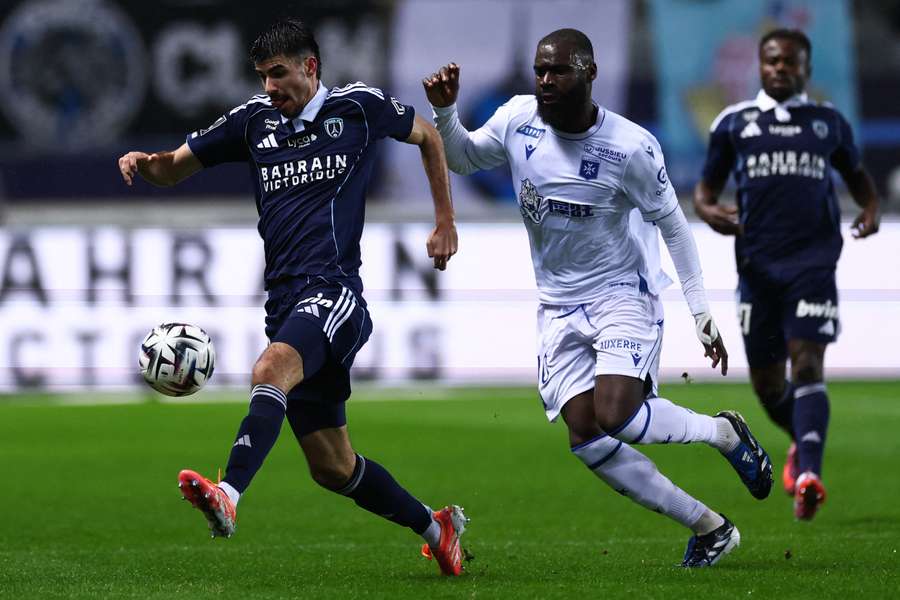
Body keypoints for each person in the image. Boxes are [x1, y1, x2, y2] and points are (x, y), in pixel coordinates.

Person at [118, 19, 468, 576]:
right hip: (284, 302)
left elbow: (426, 134)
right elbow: (175, 166)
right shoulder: (253, 122)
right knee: (333, 468)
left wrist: (445, 220)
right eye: (261, 77)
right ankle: (436, 526)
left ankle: (229, 492)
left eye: (278, 74)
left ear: (310, 67)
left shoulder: (356, 108)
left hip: (334, 293)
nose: (269, 88)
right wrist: (146, 163)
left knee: (270, 369)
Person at [424, 28, 773, 568]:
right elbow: (466, 158)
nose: (545, 80)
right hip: (557, 304)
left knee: (618, 415)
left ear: (589, 73)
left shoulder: (630, 147)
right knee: (585, 436)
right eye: (540, 70)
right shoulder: (518, 119)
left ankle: (723, 434)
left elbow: (674, 227)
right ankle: (711, 528)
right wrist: (445, 113)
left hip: (622, 294)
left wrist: (701, 311)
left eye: (558, 70)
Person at [694, 28, 880, 521]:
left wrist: (870, 207)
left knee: (809, 365)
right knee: (768, 385)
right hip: (757, 269)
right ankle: (803, 438)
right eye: (772, 61)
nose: (780, 68)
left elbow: (858, 177)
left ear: (806, 68)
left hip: (813, 264)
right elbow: (705, 190)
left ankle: (809, 474)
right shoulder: (734, 123)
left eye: (790, 62)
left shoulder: (827, 123)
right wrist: (711, 213)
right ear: (760, 64)